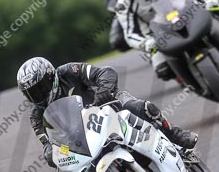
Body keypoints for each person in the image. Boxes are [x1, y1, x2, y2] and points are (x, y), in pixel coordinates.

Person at [17, 57, 198, 166]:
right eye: (31, 92)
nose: (38, 94)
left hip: (107, 106)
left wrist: (104, 90)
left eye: (40, 87)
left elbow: (105, 72)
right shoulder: (37, 115)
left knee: (140, 108)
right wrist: (54, 153)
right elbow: (48, 143)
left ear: (51, 77)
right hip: (83, 140)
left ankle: (175, 134)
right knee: (74, 170)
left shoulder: (69, 71)